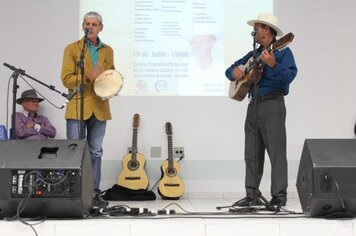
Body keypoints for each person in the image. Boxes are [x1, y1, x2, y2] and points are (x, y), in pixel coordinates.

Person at [225, 13, 297, 207]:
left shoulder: (282, 51)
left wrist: (273, 65)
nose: (254, 31)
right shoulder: (253, 55)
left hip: (273, 104)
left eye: (257, 27)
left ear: (267, 30)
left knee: (276, 153)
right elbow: (229, 70)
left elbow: (288, 77)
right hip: (253, 104)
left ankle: (279, 196)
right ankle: (252, 195)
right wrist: (236, 72)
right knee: (252, 153)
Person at [61, 11, 115, 207]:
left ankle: (94, 193)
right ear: (82, 26)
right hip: (77, 107)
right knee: (74, 151)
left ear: (101, 27)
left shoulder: (108, 50)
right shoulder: (72, 49)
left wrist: (112, 86)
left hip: (100, 107)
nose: (89, 27)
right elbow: (66, 79)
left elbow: (111, 75)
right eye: (86, 24)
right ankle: (73, 193)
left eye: (94, 24)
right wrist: (87, 76)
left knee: (96, 152)